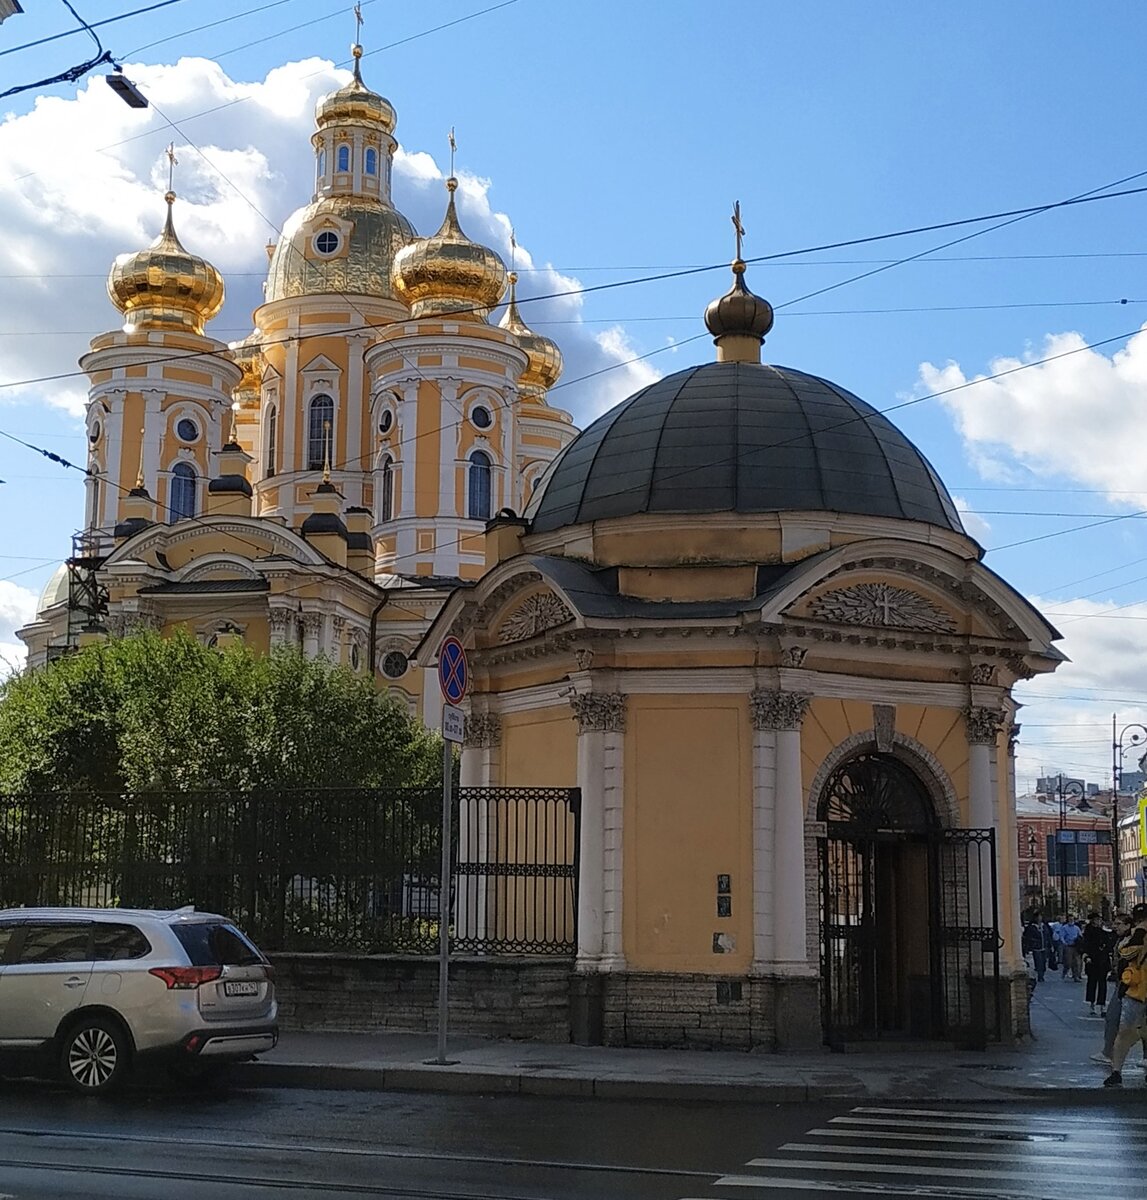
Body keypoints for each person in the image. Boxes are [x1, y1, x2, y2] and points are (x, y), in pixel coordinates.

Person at [1102, 903, 1147, 1087]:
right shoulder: (1135, 936)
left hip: (1136, 992)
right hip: (1136, 991)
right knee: (1125, 1032)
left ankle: (1117, 1071)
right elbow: (1125, 954)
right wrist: (1139, 935)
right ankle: (1116, 1071)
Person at [1081, 912, 1113, 1015]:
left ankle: (1102, 1005)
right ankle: (1092, 1004)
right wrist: (1087, 956)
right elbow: (1085, 945)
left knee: (1102, 984)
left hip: (1102, 960)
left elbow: (1109, 945)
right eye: (1097, 919)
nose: (1099, 921)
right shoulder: (1087, 932)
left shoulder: (1103, 932)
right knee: (1092, 983)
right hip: (1092, 960)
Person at [1022, 914, 1053, 983]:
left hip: (1044, 947)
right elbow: (1028, 937)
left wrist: (1050, 945)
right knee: (1039, 962)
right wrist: (1031, 945)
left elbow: (1048, 936)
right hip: (1036, 948)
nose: (1039, 918)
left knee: (1044, 962)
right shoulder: (1032, 927)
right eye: (1038, 917)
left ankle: (1042, 973)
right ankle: (1040, 976)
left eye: (1040, 917)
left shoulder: (1044, 926)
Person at [1059, 916, 1083, 981]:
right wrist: (1064, 943)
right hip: (1068, 946)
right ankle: (1065, 972)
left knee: (1077, 962)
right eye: (1070, 919)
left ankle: (1076, 976)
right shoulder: (1064, 928)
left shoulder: (1076, 928)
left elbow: (1080, 935)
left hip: (1076, 947)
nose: (1071, 920)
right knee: (1068, 962)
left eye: (1072, 919)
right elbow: (1061, 936)